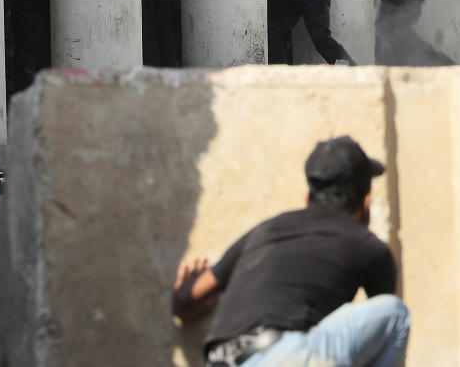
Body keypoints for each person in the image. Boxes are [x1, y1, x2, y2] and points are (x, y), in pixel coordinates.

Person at [172, 136, 409, 367]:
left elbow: (186, 296)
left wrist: (194, 307)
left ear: (308, 197)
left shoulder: (266, 230)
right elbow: (380, 332)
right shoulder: (368, 245)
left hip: (220, 361)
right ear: (365, 202)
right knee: (396, 314)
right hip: (283, 356)